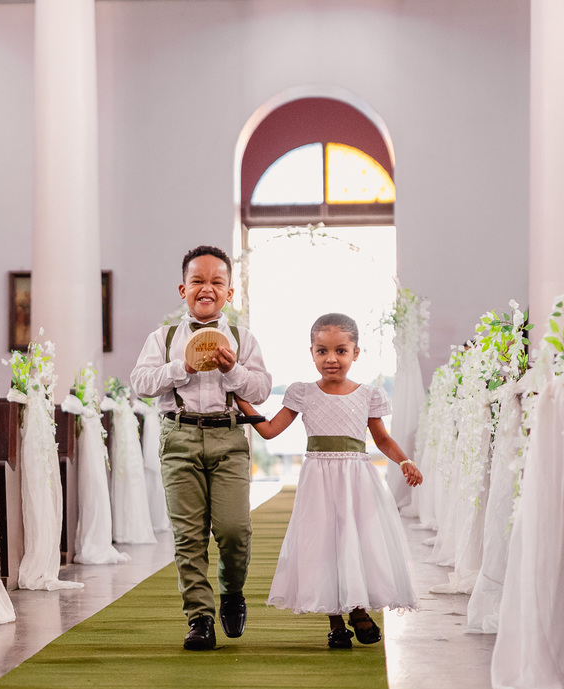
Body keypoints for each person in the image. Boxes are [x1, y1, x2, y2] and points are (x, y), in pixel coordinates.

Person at [234, 313, 421, 649]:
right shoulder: (303, 393)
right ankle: (335, 622)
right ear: (312, 353)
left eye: (340, 351)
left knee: (355, 541)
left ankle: (359, 609)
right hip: (317, 481)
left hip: (356, 481)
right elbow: (270, 430)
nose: (331, 359)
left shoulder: (368, 395)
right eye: (322, 351)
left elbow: (381, 439)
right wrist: (239, 397)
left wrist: (405, 460)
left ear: (355, 353)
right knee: (323, 545)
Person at [130, 245, 272, 651]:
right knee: (188, 535)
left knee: (234, 529)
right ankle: (199, 617)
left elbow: (261, 390)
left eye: (216, 282)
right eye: (197, 281)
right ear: (183, 289)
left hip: (229, 438)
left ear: (229, 292)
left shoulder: (243, 339)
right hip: (179, 437)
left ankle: (232, 591)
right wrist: (182, 368)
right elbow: (140, 383)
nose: (206, 288)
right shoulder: (163, 338)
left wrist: (233, 370)